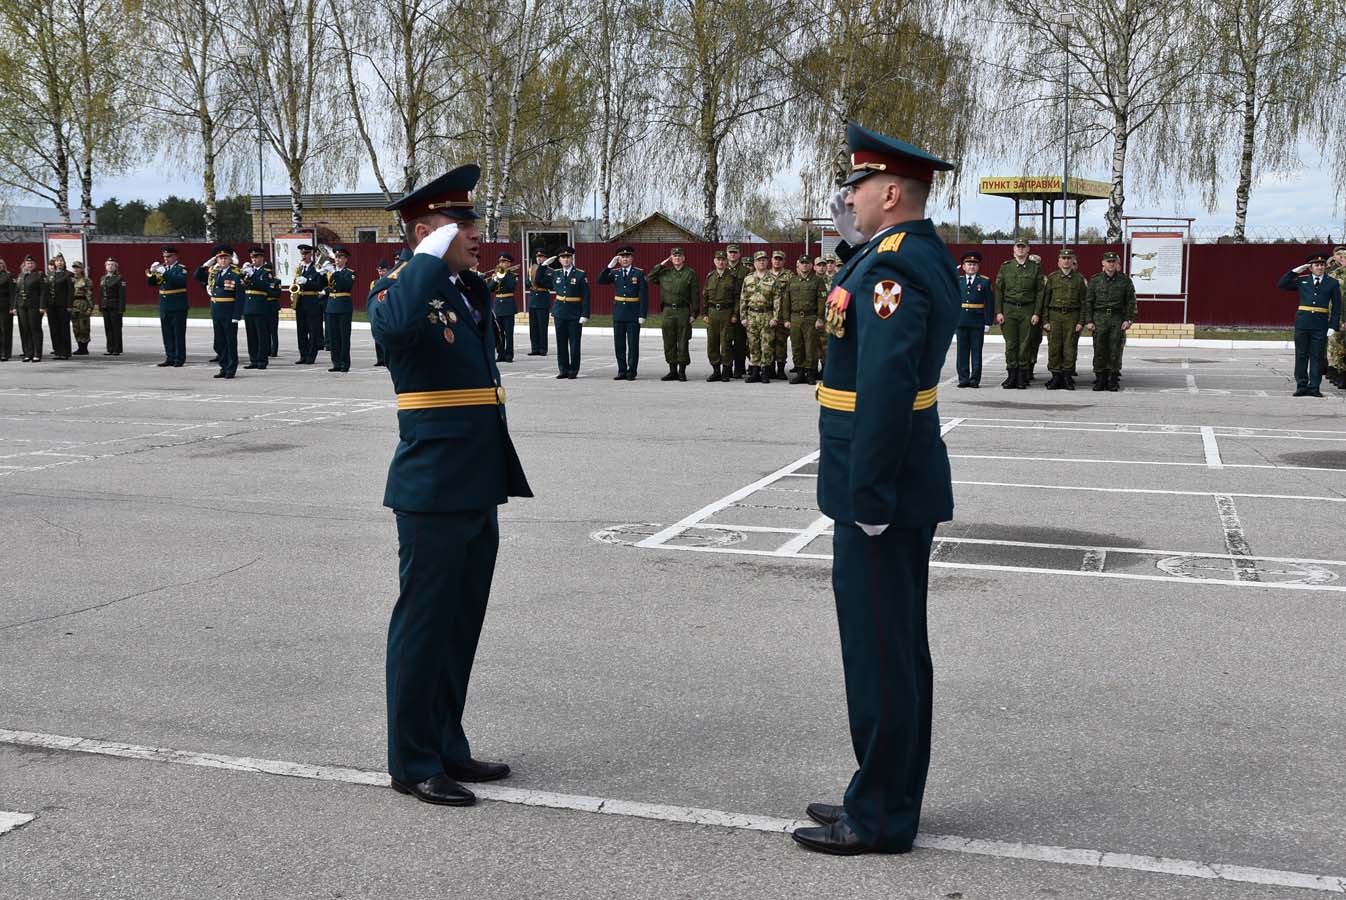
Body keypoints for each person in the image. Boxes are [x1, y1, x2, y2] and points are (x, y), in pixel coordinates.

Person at [793, 121, 957, 858]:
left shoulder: (896, 268)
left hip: (878, 490)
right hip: (885, 481)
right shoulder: (897, 255)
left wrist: (869, 501)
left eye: (857, 186)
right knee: (890, 648)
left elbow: (887, 390)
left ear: (891, 192)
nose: (847, 197)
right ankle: (883, 789)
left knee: (881, 651)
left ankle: (884, 813)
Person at [368, 163, 532, 808]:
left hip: (476, 481)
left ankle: (446, 742)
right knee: (424, 625)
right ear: (423, 230)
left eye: (472, 220)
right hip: (432, 486)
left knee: (460, 625)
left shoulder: (466, 291)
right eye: (458, 222)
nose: (474, 231)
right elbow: (396, 329)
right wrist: (425, 258)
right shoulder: (398, 290)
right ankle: (411, 760)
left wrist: (447, 263)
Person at [1276, 252, 1342, 398]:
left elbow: (1337, 306)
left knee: (1317, 357)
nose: (1319, 267)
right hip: (1303, 323)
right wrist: (1297, 270)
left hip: (1320, 324)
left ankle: (1314, 387)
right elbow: (1282, 284)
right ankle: (1301, 386)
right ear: (1310, 268)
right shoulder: (1302, 280)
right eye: (1316, 265)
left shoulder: (1332, 283)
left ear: (1325, 267)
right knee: (1301, 355)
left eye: (1322, 265)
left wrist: (1333, 326)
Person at [1083, 250, 1136, 392]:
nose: (1111, 264)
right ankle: (1100, 379)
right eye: (1108, 261)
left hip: (1117, 318)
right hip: (1099, 318)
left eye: (1113, 262)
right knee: (1099, 349)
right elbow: (1088, 302)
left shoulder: (1125, 280)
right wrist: (1089, 320)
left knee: (1115, 349)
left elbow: (1131, 302)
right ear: (1103, 263)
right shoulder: (1095, 280)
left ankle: (1113, 380)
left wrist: (1128, 319)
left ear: (1117, 263)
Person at [993, 239, 1043, 389]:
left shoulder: (1035, 268)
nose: (1020, 249)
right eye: (1018, 247)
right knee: (1011, 344)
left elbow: (1040, 292)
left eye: (1023, 247)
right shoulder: (1006, 267)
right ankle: (1011, 376)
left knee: (1025, 344)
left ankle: (1022, 376)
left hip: (1027, 309)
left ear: (1028, 249)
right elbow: (999, 290)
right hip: (1009, 309)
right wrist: (999, 311)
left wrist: (1036, 313)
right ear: (1013, 249)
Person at [598, 245, 649, 380]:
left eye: (627, 257)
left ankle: (631, 370)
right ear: (618, 259)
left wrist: (642, 314)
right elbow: (600, 280)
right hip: (619, 313)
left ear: (632, 258)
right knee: (619, 344)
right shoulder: (615, 273)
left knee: (633, 344)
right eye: (622, 257)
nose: (625, 259)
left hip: (633, 313)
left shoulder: (639, 273)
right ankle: (621, 370)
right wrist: (609, 266)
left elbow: (644, 295)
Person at [648, 247, 699, 381]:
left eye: (679, 256)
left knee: (683, 341)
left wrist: (694, 313)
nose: (677, 258)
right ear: (671, 258)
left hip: (683, 311)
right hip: (668, 311)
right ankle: (672, 371)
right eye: (674, 256)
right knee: (669, 341)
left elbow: (695, 294)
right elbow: (649, 278)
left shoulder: (690, 273)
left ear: (683, 258)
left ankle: (682, 371)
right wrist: (661, 264)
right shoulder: (665, 273)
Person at [195, 245, 245, 379]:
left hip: (229, 313)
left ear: (230, 260)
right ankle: (223, 366)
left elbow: (240, 297)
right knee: (219, 342)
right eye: (220, 258)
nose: (222, 261)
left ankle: (231, 368)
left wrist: (237, 315)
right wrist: (206, 264)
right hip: (216, 312)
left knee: (230, 342)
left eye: (225, 258)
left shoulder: (235, 274)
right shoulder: (214, 273)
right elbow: (197, 276)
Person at [1041, 248, 1087, 390]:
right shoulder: (1052, 278)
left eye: (1069, 258)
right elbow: (1045, 301)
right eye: (1063, 258)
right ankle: (1056, 376)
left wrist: (1081, 322)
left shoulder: (1079, 279)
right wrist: (1045, 321)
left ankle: (1067, 376)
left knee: (1070, 348)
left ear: (1073, 261)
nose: (1066, 261)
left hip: (1072, 317)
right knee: (1054, 347)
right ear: (1059, 261)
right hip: (1055, 316)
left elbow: (1084, 302)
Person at [782, 254, 826, 384]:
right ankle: (800, 372)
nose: (805, 265)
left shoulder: (818, 281)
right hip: (795, 317)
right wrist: (786, 319)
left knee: (810, 347)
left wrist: (820, 318)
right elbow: (786, 301)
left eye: (807, 263)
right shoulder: (792, 281)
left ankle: (810, 373)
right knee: (797, 346)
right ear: (798, 265)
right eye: (802, 263)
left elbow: (822, 301)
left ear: (811, 265)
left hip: (811, 317)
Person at [738, 251, 782, 383]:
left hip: (766, 315)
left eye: (763, 260)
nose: (761, 262)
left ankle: (765, 371)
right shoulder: (748, 279)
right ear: (755, 263)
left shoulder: (773, 280)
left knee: (766, 345)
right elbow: (743, 298)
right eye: (759, 260)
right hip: (752, 315)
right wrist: (743, 316)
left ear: (767, 262)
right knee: (753, 344)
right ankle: (755, 371)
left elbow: (777, 300)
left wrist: (775, 317)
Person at [954, 250, 993, 387]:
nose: (971, 267)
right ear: (963, 266)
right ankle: (963, 379)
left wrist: (988, 322)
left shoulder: (984, 282)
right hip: (961, 320)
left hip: (977, 321)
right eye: (968, 264)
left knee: (976, 352)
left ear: (978, 267)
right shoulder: (957, 281)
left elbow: (989, 303)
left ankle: (975, 379)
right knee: (962, 352)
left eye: (974, 265)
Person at [549, 246, 589, 379]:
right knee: (561, 343)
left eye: (568, 257)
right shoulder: (556, 273)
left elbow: (586, 296)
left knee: (574, 343)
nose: (566, 260)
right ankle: (563, 369)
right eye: (563, 257)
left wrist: (585, 314)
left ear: (572, 258)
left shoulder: (580, 274)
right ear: (559, 260)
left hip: (574, 313)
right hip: (560, 312)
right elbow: (538, 280)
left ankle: (573, 370)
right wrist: (543, 266)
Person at [147, 246, 189, 366]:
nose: (166, 259)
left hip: (178, 306)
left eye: (169, 256)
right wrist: (152, 272)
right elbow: (151, 283)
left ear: (175, 256)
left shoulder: (181, 269)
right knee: (167, 333)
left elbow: (180, 281)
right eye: (164, 257)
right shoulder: (163, 268)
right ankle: (170, 357)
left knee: (178, 334)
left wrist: (165, 273)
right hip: (165, 305)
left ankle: (179, 358)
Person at [291, 244, 325, 364]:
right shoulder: (299, 269)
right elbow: (295, 283)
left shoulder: (316, 268)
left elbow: (320, 285)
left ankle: (311, 356)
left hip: (311, 301)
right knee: (301, 330)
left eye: (306, 253)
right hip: (300, 301)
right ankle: (303, 354)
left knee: (313, 330)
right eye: (302, 254)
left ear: (311, 254)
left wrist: (307, 282)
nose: (304, 256)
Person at [324, 247, 355, 372]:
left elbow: (345, 285)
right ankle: (335, 362)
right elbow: (325, 286)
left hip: (343, 307)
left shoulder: (349, 273)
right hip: (331, 306)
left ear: (346, 259)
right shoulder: (330, 271)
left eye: (340, 257)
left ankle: (344, 363)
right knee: (333, 337)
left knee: (344, 337)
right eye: (336, 257)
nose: (337, 260)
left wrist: (334, 273)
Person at [242, 247, 273, 370]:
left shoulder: (266, 273)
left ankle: (262, 360)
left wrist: (253, 275)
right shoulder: (248, 271)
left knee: (262, 336)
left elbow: (265, 287)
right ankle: (253, 359)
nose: (254, 260)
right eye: (252, 257)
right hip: (248, 307)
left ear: (261, 258)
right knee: (251, 336)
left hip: (260, 307)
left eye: (256, 257)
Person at [487, 253, 519, 363]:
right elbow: (489, 289)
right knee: (499, 332)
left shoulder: (512, 275)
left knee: (508, 333)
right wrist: (495, 279)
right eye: (500, 262)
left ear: (509, 263)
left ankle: (509, 354)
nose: (501, 264)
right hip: (498, 305)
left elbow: (511, 287)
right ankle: (500, 353)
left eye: (504, 262)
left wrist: (503, 275)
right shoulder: (496, 275)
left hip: (508, 305)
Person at [16, 256, 46, 362]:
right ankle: (29, 353)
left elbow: (43, 292)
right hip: (22, 306)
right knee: (26, 329)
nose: (29, 265)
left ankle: (37, 353)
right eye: (28, 263)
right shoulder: (21, 275)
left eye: (31, 263)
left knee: (35, 329)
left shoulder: (38, 275)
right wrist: (16, 306)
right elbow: (17, 292)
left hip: (34, 306)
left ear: (34, 265)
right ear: (24, 264)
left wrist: (42, 306)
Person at [725, 243, 748, 378]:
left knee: (740, 342)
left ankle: (739, 368)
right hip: (725, 311)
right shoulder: (722, 270)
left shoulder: (745, 272)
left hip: (740, 311)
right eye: (730, 252)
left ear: (739, 254)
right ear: (727, 254)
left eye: (735, 252)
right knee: (726, 341)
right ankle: (727, 367)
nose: (732, 254)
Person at [1325, 245, 1346, 388]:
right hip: (1335, 315)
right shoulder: (1332, 274)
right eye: (1339, 255)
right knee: (1335, 345)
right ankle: (1336, 373)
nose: (1342, 258)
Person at [46, 255, 74, 359]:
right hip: (51, 306)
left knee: (63, 328)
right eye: (57, 261)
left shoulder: (68, 274)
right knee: (54, 328)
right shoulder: (50, 274)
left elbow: (71, 291)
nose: (59, 263)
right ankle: (57, 351)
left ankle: (65, 352)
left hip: (63, 305)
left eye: (61, 261)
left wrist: (69, 305)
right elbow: (46, 291)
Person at [768, 249, 790, 378]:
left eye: (780, 259)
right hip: (768, 313)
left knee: (781, 342)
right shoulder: (765, 275)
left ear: (783, 261)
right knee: (769, 341)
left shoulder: (789, 275)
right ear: (772, 260)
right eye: (775, 258)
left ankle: (781, 369)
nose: (777, 261)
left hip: (782, 314)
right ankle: (770, 367)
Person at [98, 257, 126, 356]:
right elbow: (101, 293)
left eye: (112, 265)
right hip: (105, 305)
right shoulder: (103, 278)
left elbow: (122, 295)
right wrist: (100, 306)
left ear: (116, 267)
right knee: (108, 328)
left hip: (115, 305)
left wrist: (121, 308)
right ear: (105, 266)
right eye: (108, 264)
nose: (110, 266)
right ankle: (110, 348)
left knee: (116, 328)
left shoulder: (119, 278)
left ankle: (117, 348)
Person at [526, 248, 551, 356]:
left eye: (541, 257)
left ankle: (543, 348)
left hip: (542, 299)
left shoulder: (549, 270)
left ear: (545, 258)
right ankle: (534, 348)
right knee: (533, 326)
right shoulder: (531, 269)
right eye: (537, 257)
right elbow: (527, 283)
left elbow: (548, 284)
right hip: (533, 299)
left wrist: (538, 281)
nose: (539, 258)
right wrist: (530, 283)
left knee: (542, 326)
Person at [70, 261, 94, 355]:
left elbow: (89, 295)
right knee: (76, 327)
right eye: (74, 268)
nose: (76, 270)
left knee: (84, 327)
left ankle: (84, 347)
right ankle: (79, 346)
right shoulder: (71, 280)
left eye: (78, 268)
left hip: (83, 304)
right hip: (73, 305)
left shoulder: (86, 280)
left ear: (81, 269)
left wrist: (90, 308)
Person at [372, 260, 392, 366]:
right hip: (378, 310)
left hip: (388, 310)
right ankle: (380, 359)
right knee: (377, 335)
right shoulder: (374, 283)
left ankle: (387, 357)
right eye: (379, 270)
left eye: (383, 270)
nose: (381, 273)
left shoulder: (390, 281)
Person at [0, 259, 13, 361]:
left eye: (0, 263)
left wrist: (12, 307)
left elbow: (12, 293)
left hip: (5, 306)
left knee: (5, 330)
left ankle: (5, 352)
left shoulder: (8, 276)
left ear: (4, 265)